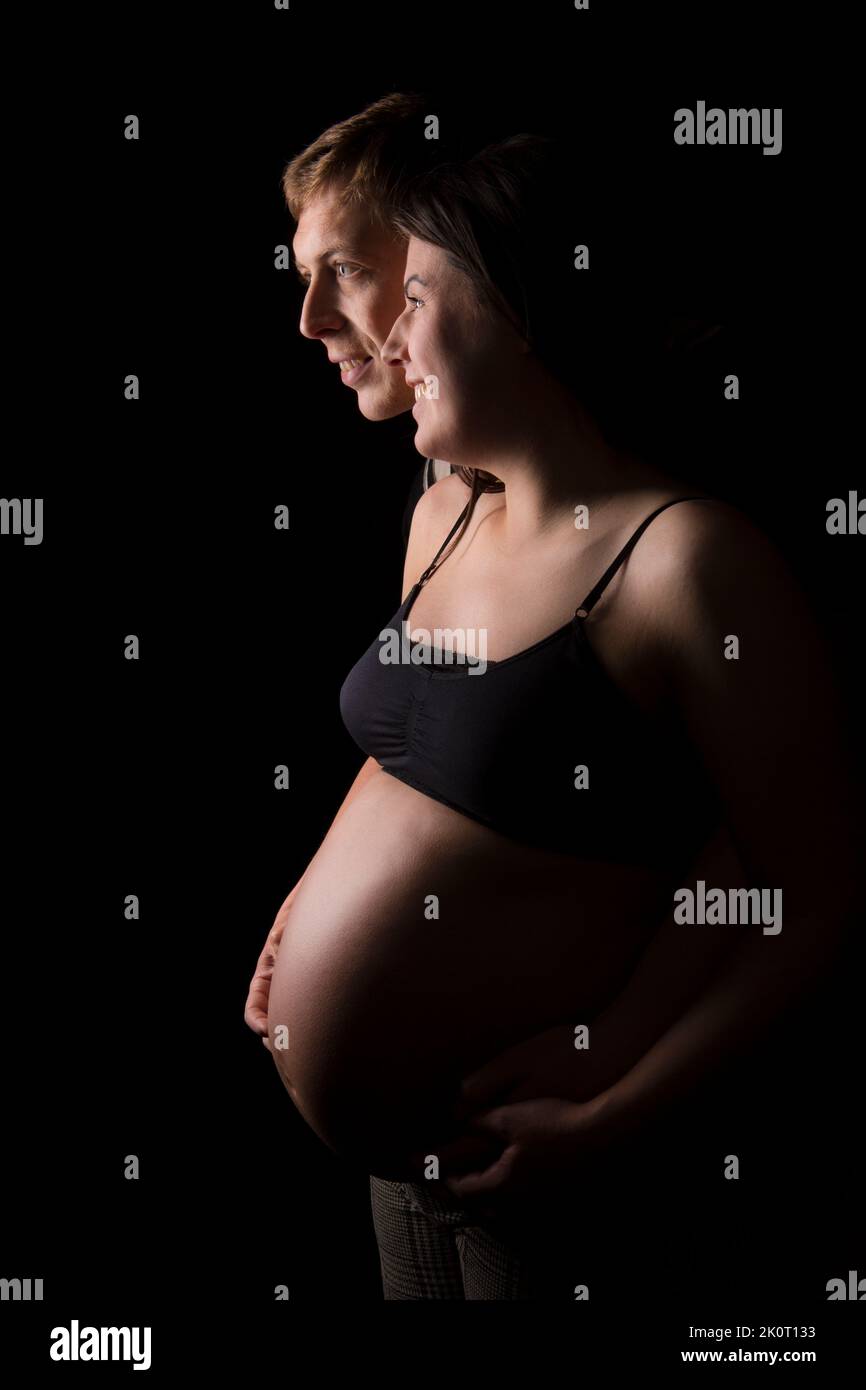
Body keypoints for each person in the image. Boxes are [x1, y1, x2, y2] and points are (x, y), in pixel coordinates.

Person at [247, 120, 862, 1300]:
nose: (386, 337)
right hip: (395, 1173)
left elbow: (814, 886)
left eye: (413, 295)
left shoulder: (684, 561)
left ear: (519, 306)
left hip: (546, 1172)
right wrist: (298, 914)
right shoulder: (442, 514)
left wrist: (618, 1101)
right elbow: (416, 754)